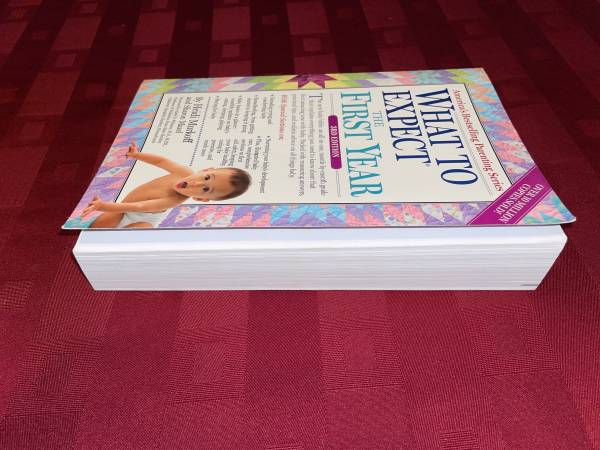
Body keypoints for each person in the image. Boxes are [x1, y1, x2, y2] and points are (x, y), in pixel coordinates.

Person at [83, 142, 251, 228]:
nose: (198, 183)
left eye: (206, 189)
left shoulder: (173, 200)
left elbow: (138, 206)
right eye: (206, 177)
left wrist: (103, 206)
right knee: (97, 226)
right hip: (127, 208)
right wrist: (137, 155)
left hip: (143, 217)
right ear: (206, 169)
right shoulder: (183, 171)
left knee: (135, 233)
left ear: (201, 198)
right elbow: (160, 161)